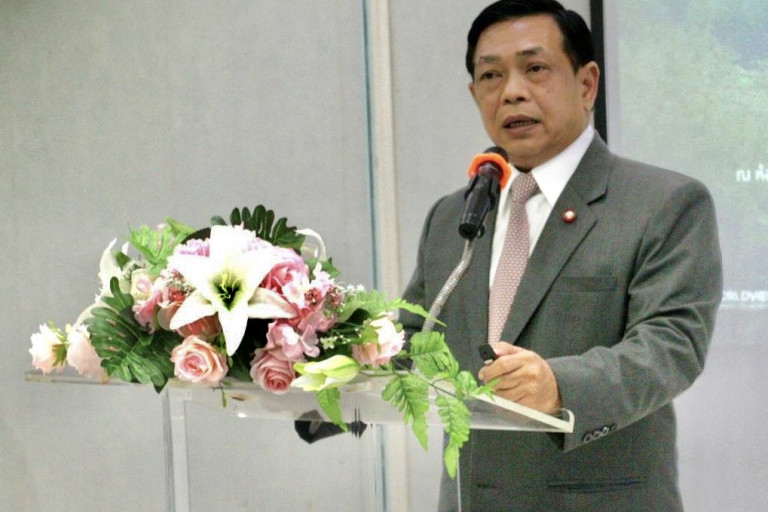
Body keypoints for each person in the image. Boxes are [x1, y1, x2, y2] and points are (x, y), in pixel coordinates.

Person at [399, 1, 722, 510]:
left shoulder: (663, 203)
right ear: (475, 94)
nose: (511, 91)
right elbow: (410, 338)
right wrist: (306, 349)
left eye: (535, 68)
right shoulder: (453, 217)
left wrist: (559, 385)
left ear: (587, 84)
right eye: (490, 75)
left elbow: (671, 345)